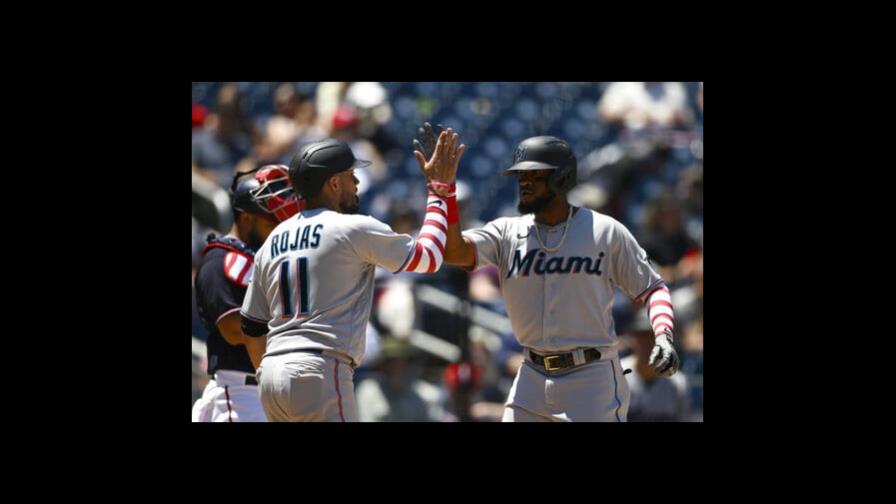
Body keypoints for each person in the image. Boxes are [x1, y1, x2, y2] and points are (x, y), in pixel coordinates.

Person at [420, 126, 680, 422]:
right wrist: (444, 190)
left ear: (562, 178)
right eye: (521, 176)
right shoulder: (507, 232)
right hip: (531, 373)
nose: (525, 184)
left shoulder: (604, 231)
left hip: (591, 378)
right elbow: (453, 252)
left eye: (535, 176)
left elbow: (653, 288)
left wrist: (663, 335)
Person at [240, 132, 466, 422]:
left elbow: (250, 325)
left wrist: (270, 372)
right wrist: (438, 190)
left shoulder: (273, 240)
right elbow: (429, 257)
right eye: (350, 175)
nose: (357, 182)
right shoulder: (351, 228)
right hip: (319, 366)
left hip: (272, 372)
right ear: (333, 183)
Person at [192, 165, 302, 422]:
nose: (277, 229)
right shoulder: (219, 259)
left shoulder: (266, 260)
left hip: (268, 393)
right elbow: (234, 329)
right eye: (270, 222)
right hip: (242, 392)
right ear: (245, 218)